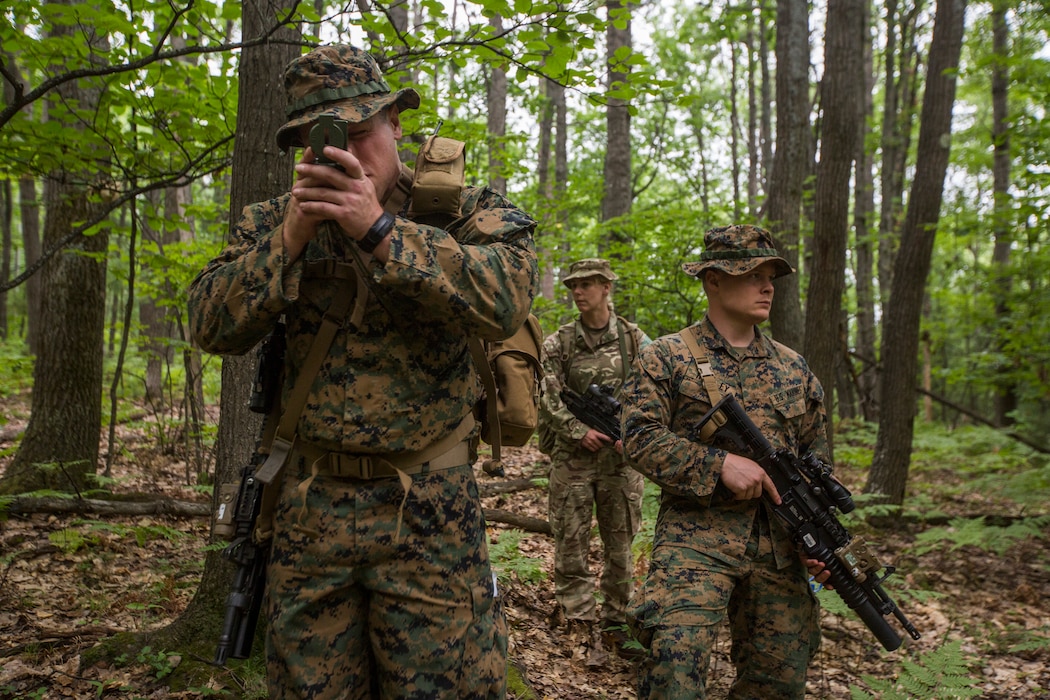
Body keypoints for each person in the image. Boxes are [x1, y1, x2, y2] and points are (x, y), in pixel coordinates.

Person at [188, 44, 538, 699]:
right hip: (310, 513)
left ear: (396, 124)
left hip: (430, 513)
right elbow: (209, 323)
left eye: (359, 133)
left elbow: (506, 296)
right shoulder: (275, 223)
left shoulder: (464, 211)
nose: (344, 153)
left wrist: (380, 231)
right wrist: (290, 238)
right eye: (322, 141)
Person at [620, 225, 832, 698]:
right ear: (713, 280)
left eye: (771, 275)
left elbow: (815, 460)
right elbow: (637, 438)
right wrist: (718, 465)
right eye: (751, 273)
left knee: (777, 684)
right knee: (673, 674)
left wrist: (816, 540)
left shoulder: (794, 368)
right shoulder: (667, 357)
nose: (767, 285)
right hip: (696, 541)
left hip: (780, 550)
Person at [537, 258, 650, 664]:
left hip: (620, 462)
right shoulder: (559, 342)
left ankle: (618, 621)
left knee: (620, 545)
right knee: (570, 540)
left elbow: (654, 397)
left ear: (607, 287)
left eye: (587, 284)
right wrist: (576, 430)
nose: (578, 292)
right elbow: (546, 395)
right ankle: (577, 619)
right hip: (573, 458)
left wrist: (634, 436)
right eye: (573, 285)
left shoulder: (636, 341)